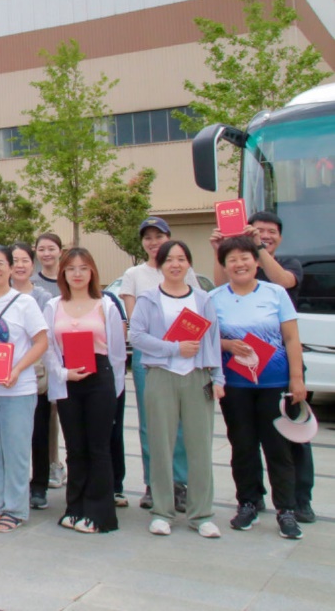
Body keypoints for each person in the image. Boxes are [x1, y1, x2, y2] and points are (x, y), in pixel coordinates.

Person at [211, 211, 314, 524]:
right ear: (224, 265)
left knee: (279, 447)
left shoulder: (276, 293)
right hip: (236, 384)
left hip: (274, 383)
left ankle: (287, 508)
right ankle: (248, 502)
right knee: (242, 447)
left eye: (245, 258)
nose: (239, 264)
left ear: (256, 261)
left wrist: (296, 379)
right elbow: (208, 340)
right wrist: (228, 345)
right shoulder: (214, 298)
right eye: (232, 260)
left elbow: (291, 338)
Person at [129, 240, 224, 539]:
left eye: (181, 259)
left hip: (197, 377)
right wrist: (173, 348)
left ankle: (201, 514)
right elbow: (136, 336)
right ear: (160, 264)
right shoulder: (148, 299)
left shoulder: (202, 299)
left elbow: (213, 339)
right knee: (160, 445)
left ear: (189, 264)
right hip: (161, 376)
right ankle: (162, 511)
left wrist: (218, 377)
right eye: (169, 259)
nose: (175, 264)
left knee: (199, 447)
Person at [42, 248, 127, 534]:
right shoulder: (53, 305)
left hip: (99, 379)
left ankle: (98, 513)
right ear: (63, 273)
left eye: (83, 268)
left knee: (98, 447)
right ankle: (75, 508)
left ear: (92, 272)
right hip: (68, 379)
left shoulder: (107, 305)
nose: (77, 274)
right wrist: (63, 373)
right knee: (75, 448)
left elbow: (117, 354)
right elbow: (48, 348)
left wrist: (114, 390)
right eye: (71, 269)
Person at [119, 216, 199, 511]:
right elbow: (135, 320)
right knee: (150, 422)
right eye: (148, 237)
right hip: (149, 355)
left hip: (184, 353)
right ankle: (154, 483)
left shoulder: (185, 272)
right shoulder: (134, 275)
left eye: (159, 236)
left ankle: (179, 482)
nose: (153, 243)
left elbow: (194, 313)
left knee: (180, 422)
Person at [0, 245, 49, 533]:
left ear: (10, 267)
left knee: (16, 450)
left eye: (0, 263)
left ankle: (15, 509)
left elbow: (41, 341)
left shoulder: (25, 303)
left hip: (18, 388)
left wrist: (17, 370)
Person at [10, 242, 55, 511]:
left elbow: (47, 337)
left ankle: (39, 485)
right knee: (11, 436)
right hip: (4, 375)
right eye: (15, 260)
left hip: (36, 373)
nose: (20, 265)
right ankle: (13, 485)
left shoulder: (42, 297)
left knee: (39, 432)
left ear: (32, 264)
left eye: (25, 260)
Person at [33, 233, 63, 298]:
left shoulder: (71, 281)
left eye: (51, 249)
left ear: (60, 252)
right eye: (41, 250)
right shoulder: (31, 283)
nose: (46, 254)